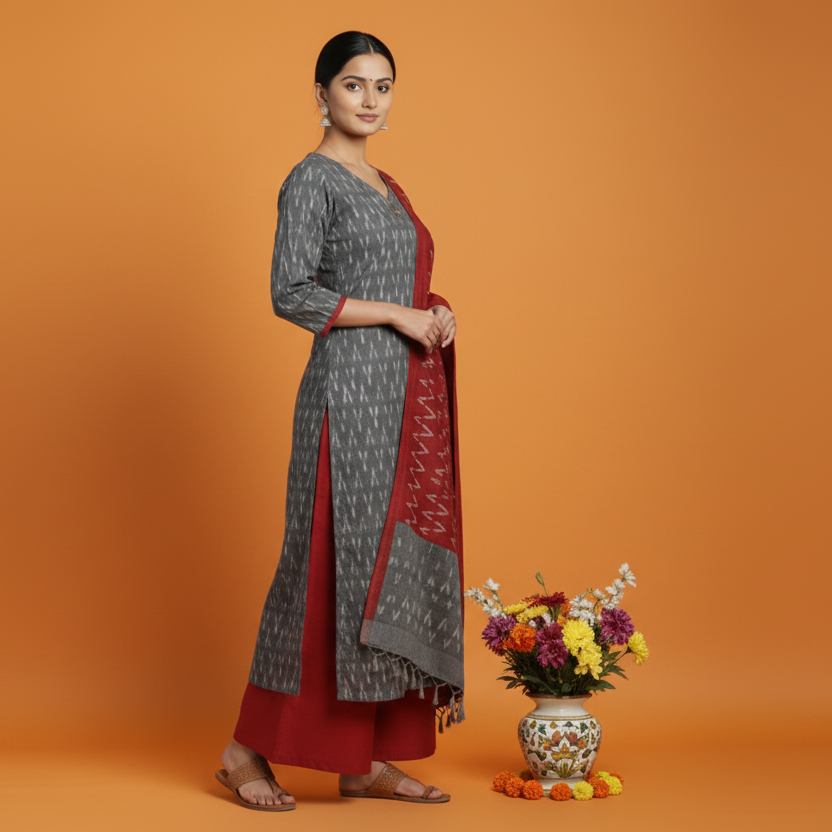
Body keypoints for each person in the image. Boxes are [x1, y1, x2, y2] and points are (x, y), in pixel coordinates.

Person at [214, 31, 464, 811]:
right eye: (353, 84)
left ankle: (369, 759)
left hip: (405, 400)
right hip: (346, 403)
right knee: (324, 566)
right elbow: (292, 291)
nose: (369, 99)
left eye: (382, 86)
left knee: (384, 570)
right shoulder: (311, 180)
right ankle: (244, 750)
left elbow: (398, 279)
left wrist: (433, 316)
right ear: (320, 94)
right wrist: (397, 315)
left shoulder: (387, 183)